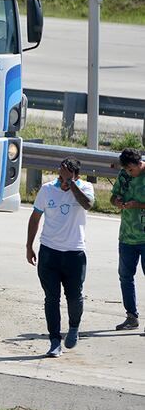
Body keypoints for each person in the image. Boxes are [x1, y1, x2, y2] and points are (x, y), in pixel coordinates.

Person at [25, 156, 94, 357]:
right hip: (49, 253)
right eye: (60, 176)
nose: (62, 181)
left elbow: (88, 204)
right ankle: (54, 341)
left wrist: (72, 185)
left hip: (74, 253)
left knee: (74, 297)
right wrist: (29, 246)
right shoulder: (47, 190)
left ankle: (74, 327)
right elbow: (35, 217)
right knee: (51, 299)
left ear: (76, 176)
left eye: (67, 177)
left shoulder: (85, 188)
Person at [111, 148, 145, 331]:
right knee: (125, 277)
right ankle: (131, 316)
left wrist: (137, 205)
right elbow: (113, 196)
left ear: (139, 164)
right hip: (126, 236)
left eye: (131, 170)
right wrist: (116, 201)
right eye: (125, 170)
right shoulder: (123, 175)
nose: (128, 173)